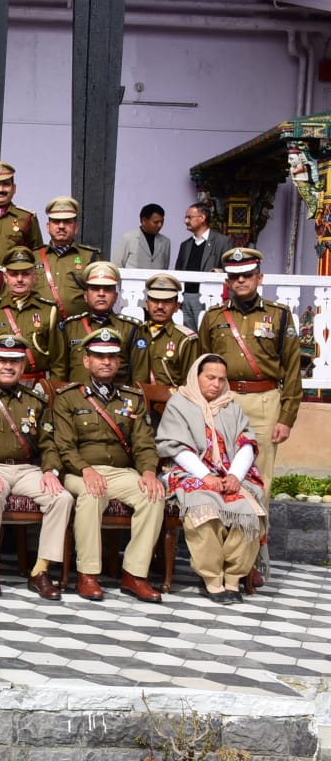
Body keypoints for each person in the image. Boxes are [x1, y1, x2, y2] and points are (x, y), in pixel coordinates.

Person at [51, 328, 166, 603]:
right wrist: (85, 469)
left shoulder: (132, 398)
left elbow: (144, 444)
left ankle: (134, 574)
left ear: (119, 361)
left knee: (153, 495)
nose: (106, 362)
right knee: (93, 494)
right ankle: (87, 574)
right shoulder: (69, 397)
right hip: (81, 471)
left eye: (112, 357)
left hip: (121, 472)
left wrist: (149, 472)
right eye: (99, 356)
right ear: (86, 361)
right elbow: (64, 445)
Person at [0, 335, 71, 599]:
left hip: (28, 469)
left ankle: (40, 570)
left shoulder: (36, 402)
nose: (8, 366)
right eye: (2, 361)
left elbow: (50, 444)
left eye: (15, 361)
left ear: (22, 367)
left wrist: (51, 472)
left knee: (61, 498)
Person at [156, 354, 267, 603]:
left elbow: (246, 443)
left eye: (221, 379)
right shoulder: (179, 404)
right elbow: (175, 447)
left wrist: (235, 476)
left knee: (248, 511)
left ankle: (233, 578)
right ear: (196, 376)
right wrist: (205, 475)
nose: (216, 384)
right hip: (190, 472)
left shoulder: (231, 405)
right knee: (204, 508)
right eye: (210, 378)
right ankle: (212, 578)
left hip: (230, 474)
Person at [197, 247, 300, 499]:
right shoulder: (213, 317)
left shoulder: (279, 315)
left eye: (247, 274)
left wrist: (286, 417)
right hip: (223, 402)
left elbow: (292, 369)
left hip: (264, 400)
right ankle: (228, 533)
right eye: (234, 276)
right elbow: (200, 367)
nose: (241, 280)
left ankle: (257, 537)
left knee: (260, 474)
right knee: (221, 468)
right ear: (227, 281)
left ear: (259, 277)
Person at [50, 262, 149, 385]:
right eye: (95, 288)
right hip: (77, 401)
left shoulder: (131, 328)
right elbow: (60, 370)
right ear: (85, 296)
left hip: (118, 401)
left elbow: (140, 377)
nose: (101, 294)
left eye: (107, 289)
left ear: (116, 296)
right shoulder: (70, 327)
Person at [0, 247, 57, 379]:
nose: (20, 279)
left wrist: (53, 391)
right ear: (5, 277)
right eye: (14, 274)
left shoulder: (48, 310)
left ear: (34, 276)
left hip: (37, 386)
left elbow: (58, 361)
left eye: (25, 274)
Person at [32, 196, 100, 320]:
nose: (61, 226)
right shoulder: (34, 257)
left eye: (67, 221)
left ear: (76, 228)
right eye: (56, 222)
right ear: (48, 227)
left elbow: (99, 295)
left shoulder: (90, 257)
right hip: (41, 327)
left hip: (77, 329)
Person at [174, 202, 234, 331]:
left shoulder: (222, 242)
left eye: (190, 217)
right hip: (185, 298)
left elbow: (230, 271)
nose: (186, 221)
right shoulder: (185, 245)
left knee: (206, 335)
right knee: (188, 336)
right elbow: (178, 272)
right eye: (186, 217)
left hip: (208, 298)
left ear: (202, 218)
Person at [142, 273, 199, 386]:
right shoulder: (136, 333)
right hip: (138, 401)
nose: (160, 306)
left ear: (177, 306)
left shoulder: (185, 339)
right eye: (154, 300)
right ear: (147, 304)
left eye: (167, 301)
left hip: (170, 401)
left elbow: (190, 382)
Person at [111, 204, 170, 270]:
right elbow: (116, 266)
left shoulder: (166, 242)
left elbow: (165, 268)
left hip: (156, 280)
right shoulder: (127, 238)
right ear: (143, 220)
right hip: (132, 280)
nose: (160, 225)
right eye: (156, 222)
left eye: (162, 222)